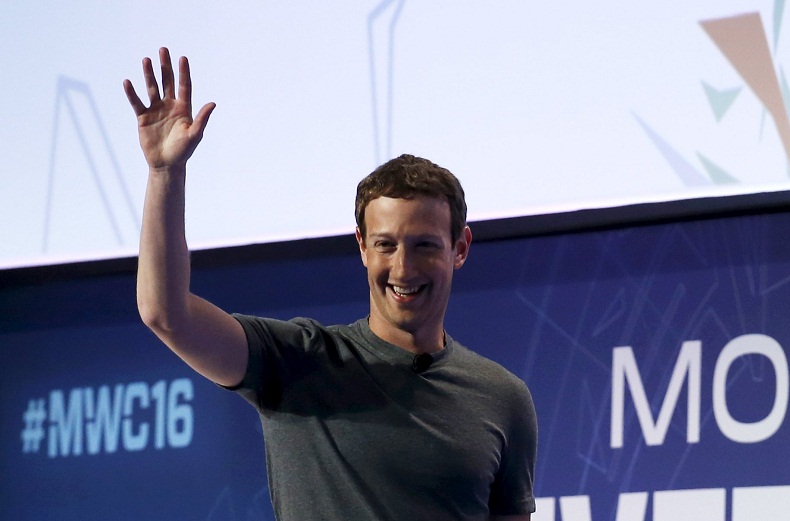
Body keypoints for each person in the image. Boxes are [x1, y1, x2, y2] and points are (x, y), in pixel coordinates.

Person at [124, 47, 537, 520]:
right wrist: (164, 172)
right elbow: (165, 314)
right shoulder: (298, 363)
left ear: (459, 248)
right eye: (385, 245)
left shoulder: (502, 398)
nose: (402, 269)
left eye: (424, 245)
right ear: (362, 246)